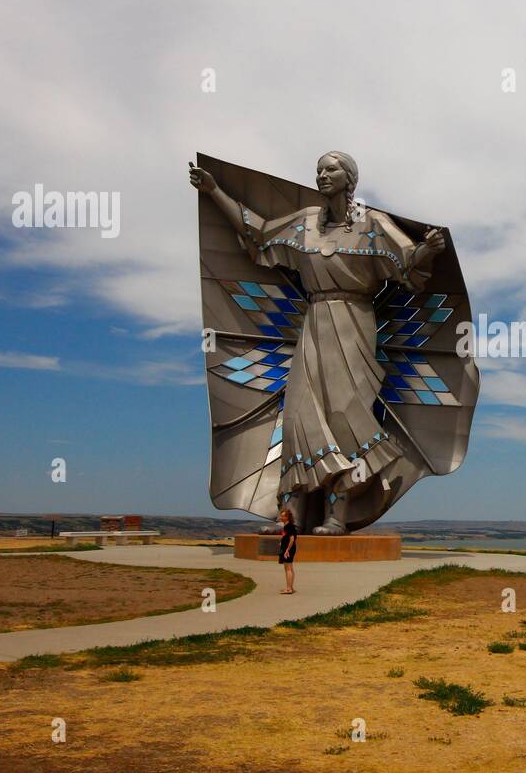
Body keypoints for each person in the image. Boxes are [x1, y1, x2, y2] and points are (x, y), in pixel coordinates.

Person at [189, 151, 446, 534]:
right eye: (319, 170)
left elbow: (407, 263)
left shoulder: (373, 225)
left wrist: (431, 247)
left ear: (350, 179)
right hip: (314, 323)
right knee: (299, 417)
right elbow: (256, 234)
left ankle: (335, 516)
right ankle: (288, 517)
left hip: (354, 325)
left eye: (331, 169)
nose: (322, 175)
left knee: (345, 417)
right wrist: (214, 191)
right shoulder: (304, 223)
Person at [277, 508, 297, 594]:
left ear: (287, 517)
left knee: (288, 568)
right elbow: (286, 537)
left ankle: (288, 589)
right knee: (289, 568)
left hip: (288, 550)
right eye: (281, 515)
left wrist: (287, 550)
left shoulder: (290, 526)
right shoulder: (286, 526)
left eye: (283, 516)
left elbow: (292, 539)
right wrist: (282, 542)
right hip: (286, 549)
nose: (281, 517)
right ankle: (290, 587)